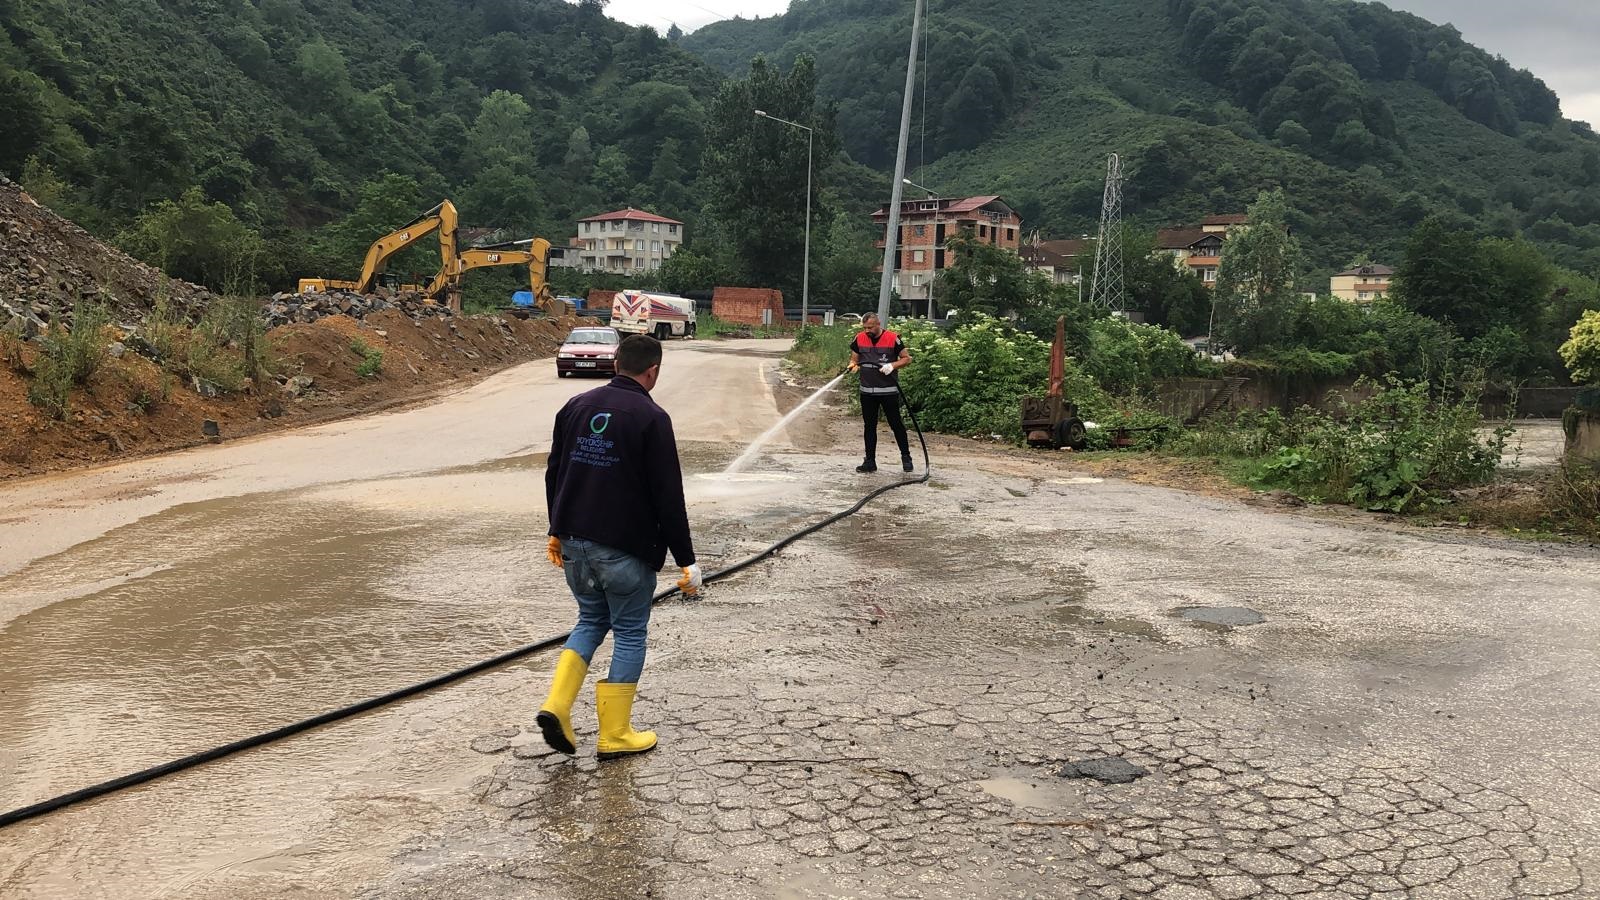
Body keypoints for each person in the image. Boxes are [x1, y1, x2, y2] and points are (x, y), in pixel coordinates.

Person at [537, 334, 702, 760]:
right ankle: (615, 734)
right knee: (629, 631)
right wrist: (687, 560)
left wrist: (557, 528)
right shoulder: (651, 416)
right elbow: (668, 495)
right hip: (624, 548)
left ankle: (557, 706)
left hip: (573, 541)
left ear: (615, 363)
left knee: (590, 619)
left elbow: (555, 473)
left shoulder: (575, 406)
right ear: (653, 371)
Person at [848, 312, 913, 473]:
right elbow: (854, 359)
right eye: (865, 327)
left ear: (878, 324)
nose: (867, 330)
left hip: (888, 391)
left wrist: (892, 366)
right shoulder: (859, 338)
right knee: (869, 426)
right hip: (867, 392)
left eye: (870, 327)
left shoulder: (892, 338)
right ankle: (870, 461)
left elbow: (906, 358)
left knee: (896, 424)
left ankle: (906, 457)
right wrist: (853, 365)